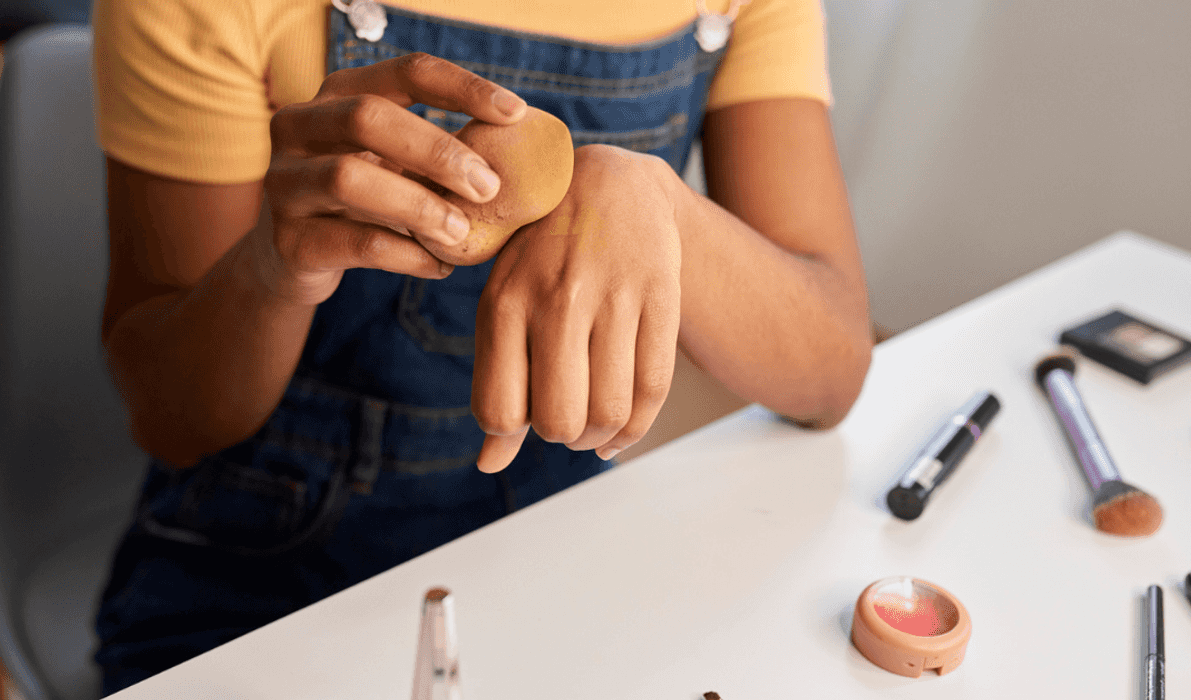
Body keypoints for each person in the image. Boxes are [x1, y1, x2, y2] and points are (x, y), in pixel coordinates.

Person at [91, 0, 873, 692]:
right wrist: (273, 267)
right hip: (260, 577)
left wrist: (657, 205)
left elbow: (831, 370)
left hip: (552, 558)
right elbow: (171, 419)